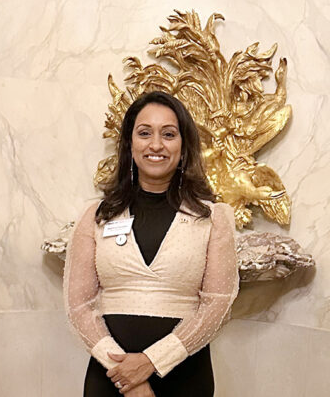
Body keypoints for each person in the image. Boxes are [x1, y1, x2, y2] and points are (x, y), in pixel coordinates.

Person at [64, 91, 239, 397]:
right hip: (111, 378)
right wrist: (124, 373)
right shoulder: (95, 216)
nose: (156, 145)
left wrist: (152, 362)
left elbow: (218, 304)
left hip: (185, 376)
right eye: (144, 133)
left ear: (183, 146)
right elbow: (78, 305)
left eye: (168, 134)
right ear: (129, 144)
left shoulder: (214, 218)